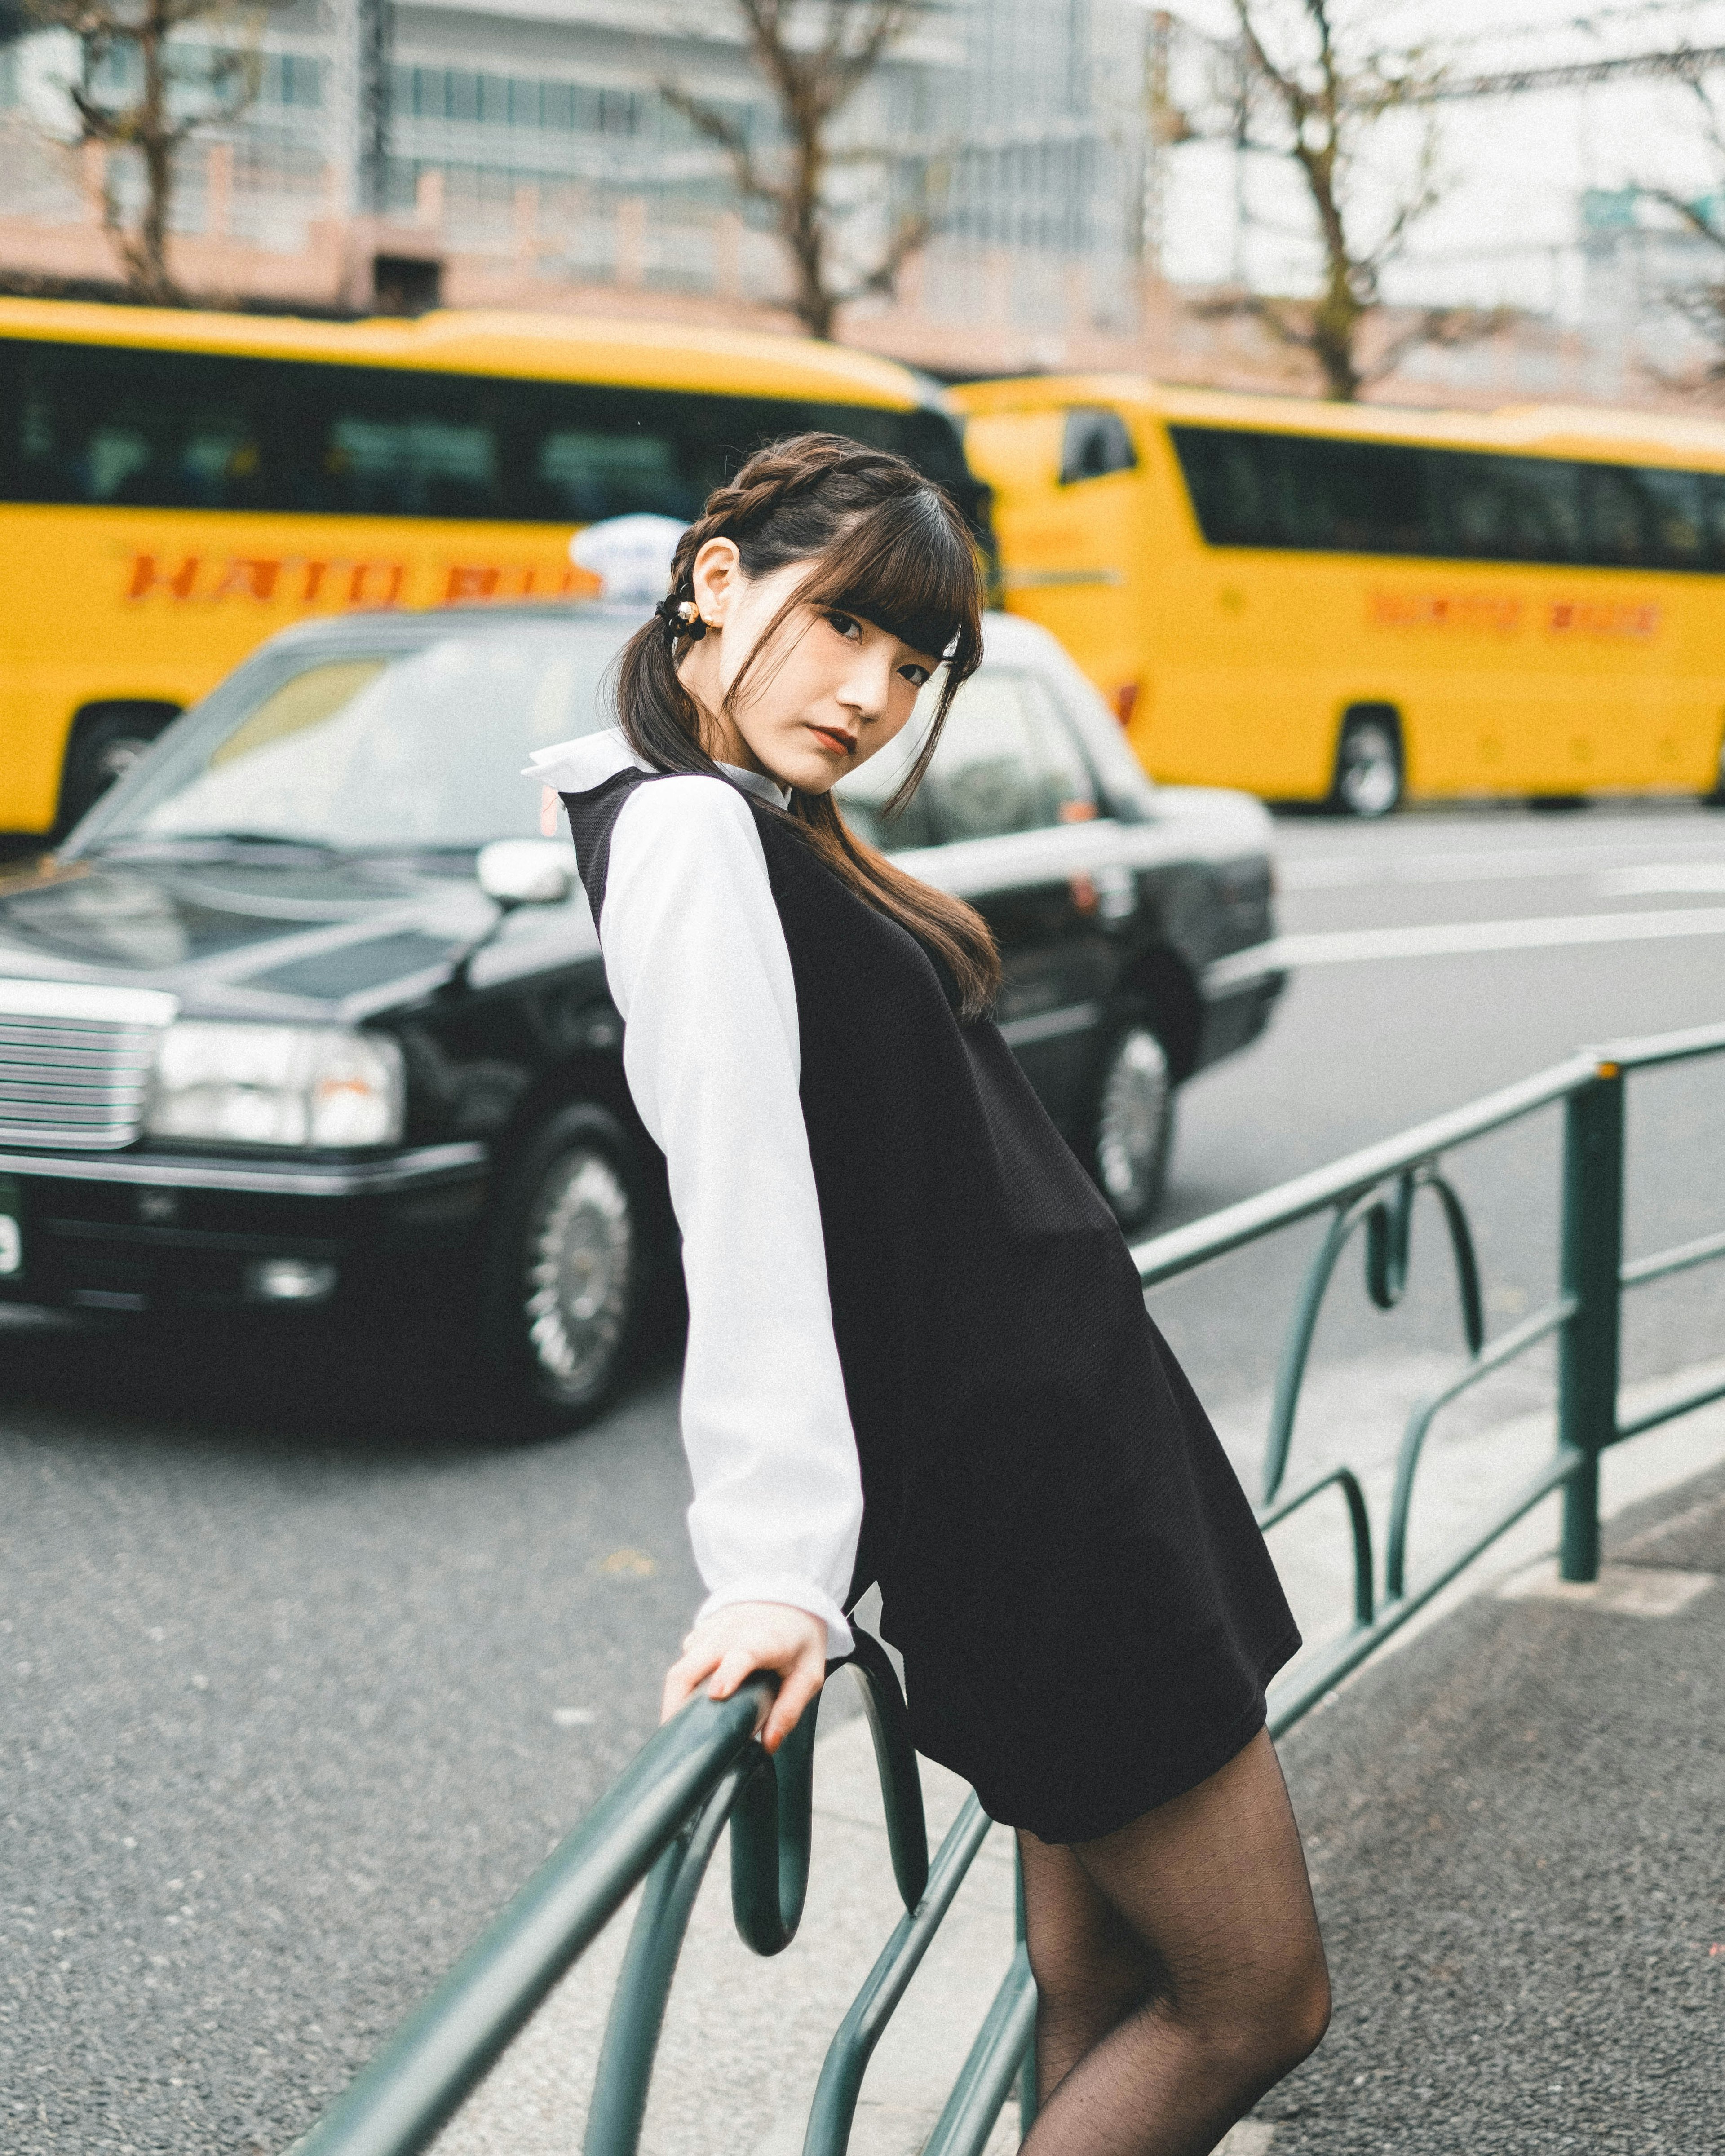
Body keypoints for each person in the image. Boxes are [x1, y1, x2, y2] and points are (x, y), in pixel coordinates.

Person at [524, 433, 1329, 2153]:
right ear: (714, 578)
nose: (873, 693)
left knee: (1104, 1993)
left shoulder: (742, 812)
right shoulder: (683, 829)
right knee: (1258, 1999)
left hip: (1074, 1462)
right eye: (844, 632)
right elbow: (737, 1211)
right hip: (1037, 1505)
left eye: (913, 664)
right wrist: (771, 1574)